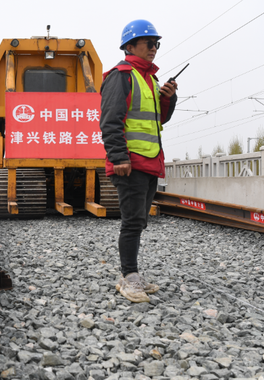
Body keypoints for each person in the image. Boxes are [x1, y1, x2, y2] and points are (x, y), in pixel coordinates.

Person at [100, 19, 178, 303]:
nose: (154, 48)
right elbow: (110, 120)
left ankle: (131, 275)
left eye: (156, 44)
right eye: (149, 43)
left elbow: (158, 120)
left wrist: (169, 99)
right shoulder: (121, 76)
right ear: (130, 46)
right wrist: (118, 157)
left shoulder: (151, 80)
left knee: (139, 221)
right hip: (130, 163)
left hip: (149, 163)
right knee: (132, 222)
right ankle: (129, 277)